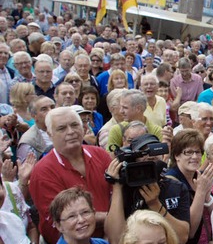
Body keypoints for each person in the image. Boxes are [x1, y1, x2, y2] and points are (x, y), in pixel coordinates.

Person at [30, 107, 112, 243]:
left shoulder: (100, 154)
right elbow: (63, 219)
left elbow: (116, 194)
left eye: (75, 125)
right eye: (61, 128)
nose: (71, 132)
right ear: (50, 135)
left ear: (83, 128)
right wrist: (112, 220)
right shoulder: (43, 171)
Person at [104, 133, 191, 244]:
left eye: (154, 155)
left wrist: (155, 204)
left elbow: (182, 238)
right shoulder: (123, 190)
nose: (149, 156)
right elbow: (115, 239)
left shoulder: (176, 188)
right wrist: (116, 185)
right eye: (143, 155)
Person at [165, 129, 213, 244]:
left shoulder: (199, 176)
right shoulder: (170, 183)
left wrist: (208, 197)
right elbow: (190, 232)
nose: (194, 156)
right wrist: (201, 192)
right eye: (188, 152)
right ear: (176, 155)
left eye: (198, 152)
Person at [16, 96, 55, 162]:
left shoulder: (66, 129)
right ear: (34, 116)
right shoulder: (28, 141)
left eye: (52, 107)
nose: (51, 111)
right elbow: (27, 170)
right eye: (44, 109)